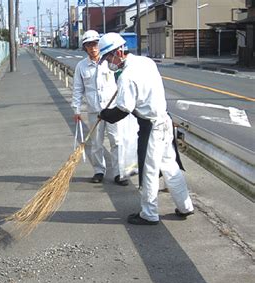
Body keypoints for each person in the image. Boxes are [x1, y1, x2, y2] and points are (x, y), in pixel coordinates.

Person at [97, 33, 194, 225]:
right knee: (169, 165)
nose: (108, 62)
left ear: (118, 52)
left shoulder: (127, 76)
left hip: (152, 127)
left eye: (108, 57)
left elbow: (123, 109)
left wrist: (104, 114)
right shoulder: (146, 62)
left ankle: (149, 213)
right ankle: (185, 206)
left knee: (149, 170)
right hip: (165, 120)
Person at [71, 30, 129, 186]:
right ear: (85, 48)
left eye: (95, 44)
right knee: (96, 143)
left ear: (100, 45)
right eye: (89, 45)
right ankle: (98, 170)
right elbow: (77, 89)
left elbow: (122, 82)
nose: (93, 48)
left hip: (113, 109)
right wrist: (76, 109)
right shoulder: (81, 66)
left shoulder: (110, 61)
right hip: (94, 110)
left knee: (116, 141)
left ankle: (119, 173)